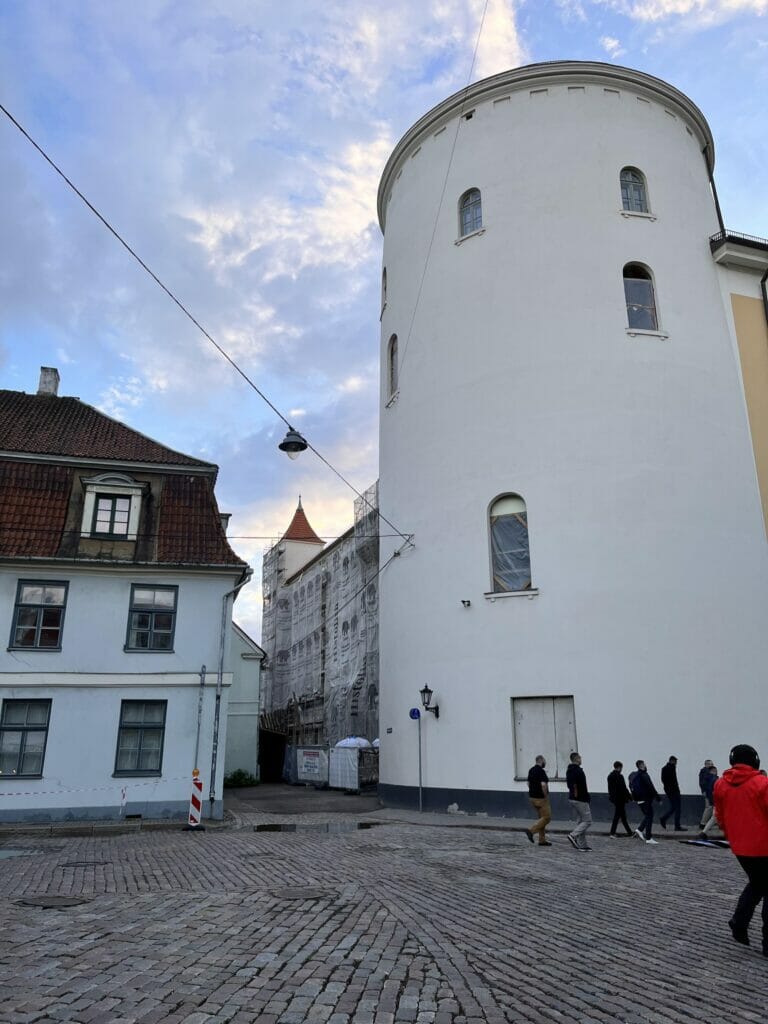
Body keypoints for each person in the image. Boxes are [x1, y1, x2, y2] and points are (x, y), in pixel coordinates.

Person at [713, 744, 768, 956]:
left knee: (757, 883)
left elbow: (720, 815)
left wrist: (732, 835)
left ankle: (739, 923)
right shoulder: (761, 783)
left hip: (741, 847)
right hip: (764, 846)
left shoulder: (720, 785)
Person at [630, 760, 661, 844]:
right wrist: (658, 798)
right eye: (643, 764)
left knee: (648, 815)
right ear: (641, 765)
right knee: (650, 816)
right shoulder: (644, 775)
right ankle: (648, 838)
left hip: (639, 799)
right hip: (645, 799)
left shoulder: (634, 775)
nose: (645, 765)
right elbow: (651, 786)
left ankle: (639, 830)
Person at [566, 752, 592, 851]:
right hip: (580, 799)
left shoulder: (569, 770)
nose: (581, 759)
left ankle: (582, 845)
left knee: (581, 821)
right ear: (576, 759)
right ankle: (573, 835)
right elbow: (581, 787)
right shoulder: (578, 771)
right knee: (587, 821)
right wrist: (586, 798)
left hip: (572, 798)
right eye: (580, 758)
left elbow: (570, 785)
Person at [525, 754, 552, 847]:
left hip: (532, 798)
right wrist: (545, 796)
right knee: (547, 818)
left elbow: (528, 783)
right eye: (544, 760)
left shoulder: (531, 770)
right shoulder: (541, 771)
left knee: (542, 818)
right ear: (541, 761)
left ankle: (542, 840)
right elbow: (544, 785)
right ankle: (531, 831)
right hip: (541, 798)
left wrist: (533, 791)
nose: (545, 762)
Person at [660, 755, 687, 831]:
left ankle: (664, 819)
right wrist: (675, 789)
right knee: (677, 808)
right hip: (673, 791)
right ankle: (677, 826)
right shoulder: (670, 768)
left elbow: (664, 780)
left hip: (671, 790)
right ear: (672, 761)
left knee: (674, 807)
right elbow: (669, 781)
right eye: (675, 762)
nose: (676, 763)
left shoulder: (667, 768)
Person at [607, 761, 634, 837]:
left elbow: (610, 789)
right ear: (619, 767)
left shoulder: (610, 776)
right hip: (620, 799)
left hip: (615, 799)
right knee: (617, 816)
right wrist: (630, 797)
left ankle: (629, 833)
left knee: (622, 816)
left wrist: (611, 797)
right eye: (621, 768)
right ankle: (612, 833)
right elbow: (623, 788)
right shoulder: (619, 776)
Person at [699, 765, 721, 838]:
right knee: (715, 817)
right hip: (717, 801)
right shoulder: (714, 779)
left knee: (715, 817)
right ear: (713, 771)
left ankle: (704, 832)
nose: (716, 772)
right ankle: (703, 832)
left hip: (713, 800)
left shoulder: (707, 779)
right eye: (715, 770)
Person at [699, 758, 715, 828]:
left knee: (709, 807)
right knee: (708, 807)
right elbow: (702, 783)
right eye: (710, 764)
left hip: (710, 792)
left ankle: (705, 823)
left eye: (712, 764)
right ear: (706, 764)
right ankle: (703, 824)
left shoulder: (707, 771)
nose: (712, 765)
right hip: (708, 792)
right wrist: (704, 791)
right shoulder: (704, 772)